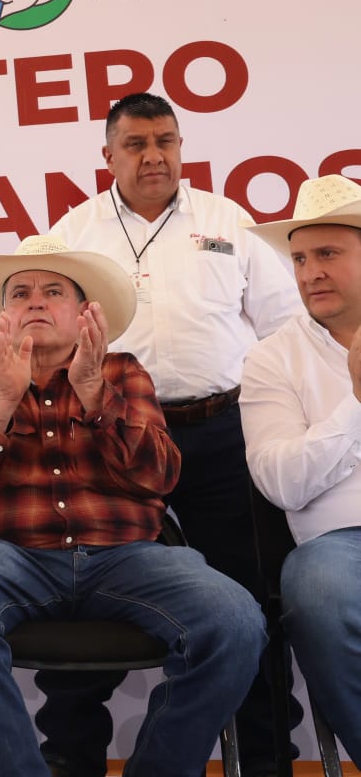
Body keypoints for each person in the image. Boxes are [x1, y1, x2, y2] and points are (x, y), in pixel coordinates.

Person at [0, 235, 265, 777]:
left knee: (235, 619)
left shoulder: (123, 373)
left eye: (53, 291)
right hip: (4, 561)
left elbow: (162, 476)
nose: (35, 301)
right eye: (20, 293)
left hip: (125, 557)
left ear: (83, 314)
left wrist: (97, 395)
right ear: (4, 317)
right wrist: (1, 405)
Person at [45, 91, 301, 777]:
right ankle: (71, 759)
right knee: (86, 598)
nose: (153, 156)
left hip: (222, 435)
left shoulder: (227, 220)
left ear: (181, 147)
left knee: (249, 599)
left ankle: (267, 759)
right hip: (111, 442)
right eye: (136, 144)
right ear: (108, 156)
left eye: (165, 141)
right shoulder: (73, 235)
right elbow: (49, 342)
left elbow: (284, 328)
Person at [240, 174, 361, 763]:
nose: (311, 272)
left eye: (328, 254)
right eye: (300, 259)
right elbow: (281, 481)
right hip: (338, 545)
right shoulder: (271, 358)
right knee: (317, 588)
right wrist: (355, 403)